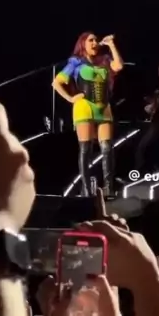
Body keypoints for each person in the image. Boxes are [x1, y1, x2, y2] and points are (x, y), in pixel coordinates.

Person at [52, 32, 123, 198]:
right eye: (91, 40)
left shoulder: (104, 60)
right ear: (82, 43)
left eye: (96, 40)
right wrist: (70, 98)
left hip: (104, 107)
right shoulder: (76, 62)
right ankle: (86, 190)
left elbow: (119, 66)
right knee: (86, 149)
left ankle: (109, 188)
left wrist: (111, 45)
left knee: (107, 148)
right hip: (84, 107)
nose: (94, 42)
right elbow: (56, 82)